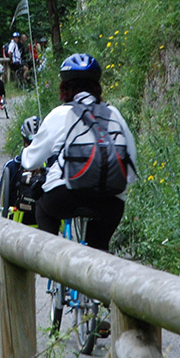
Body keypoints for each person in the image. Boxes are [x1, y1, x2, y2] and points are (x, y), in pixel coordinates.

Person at [20, 53, 137, 252]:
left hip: (65, 195)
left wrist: (25, 154)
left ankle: (48, 258)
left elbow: (30, 161)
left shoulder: (60, 113)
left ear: (64, 88)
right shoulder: (114, 114)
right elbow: (131, 166)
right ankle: (97, 262)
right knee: (99, 247)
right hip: (110, 199)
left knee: (43, 208)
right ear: (97, 87)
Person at [0, 116, 43, 225]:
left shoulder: (12, 166)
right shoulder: (52, 161)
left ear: (24, 141)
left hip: (20, 220)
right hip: (48, 219)